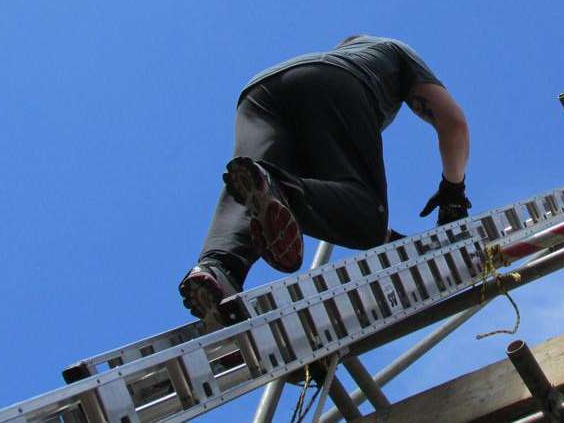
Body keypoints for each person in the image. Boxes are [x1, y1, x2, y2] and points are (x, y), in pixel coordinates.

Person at [179, 35, 471, 323]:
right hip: (335, 82)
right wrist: (453, 191)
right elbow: (454, 124)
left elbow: (320, 204)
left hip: (258, 95)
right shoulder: (394, 50)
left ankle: (217, 269)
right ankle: (277, 188)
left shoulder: (324, 98)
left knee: (255, 184)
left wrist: (390, 241)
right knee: (367, 217)